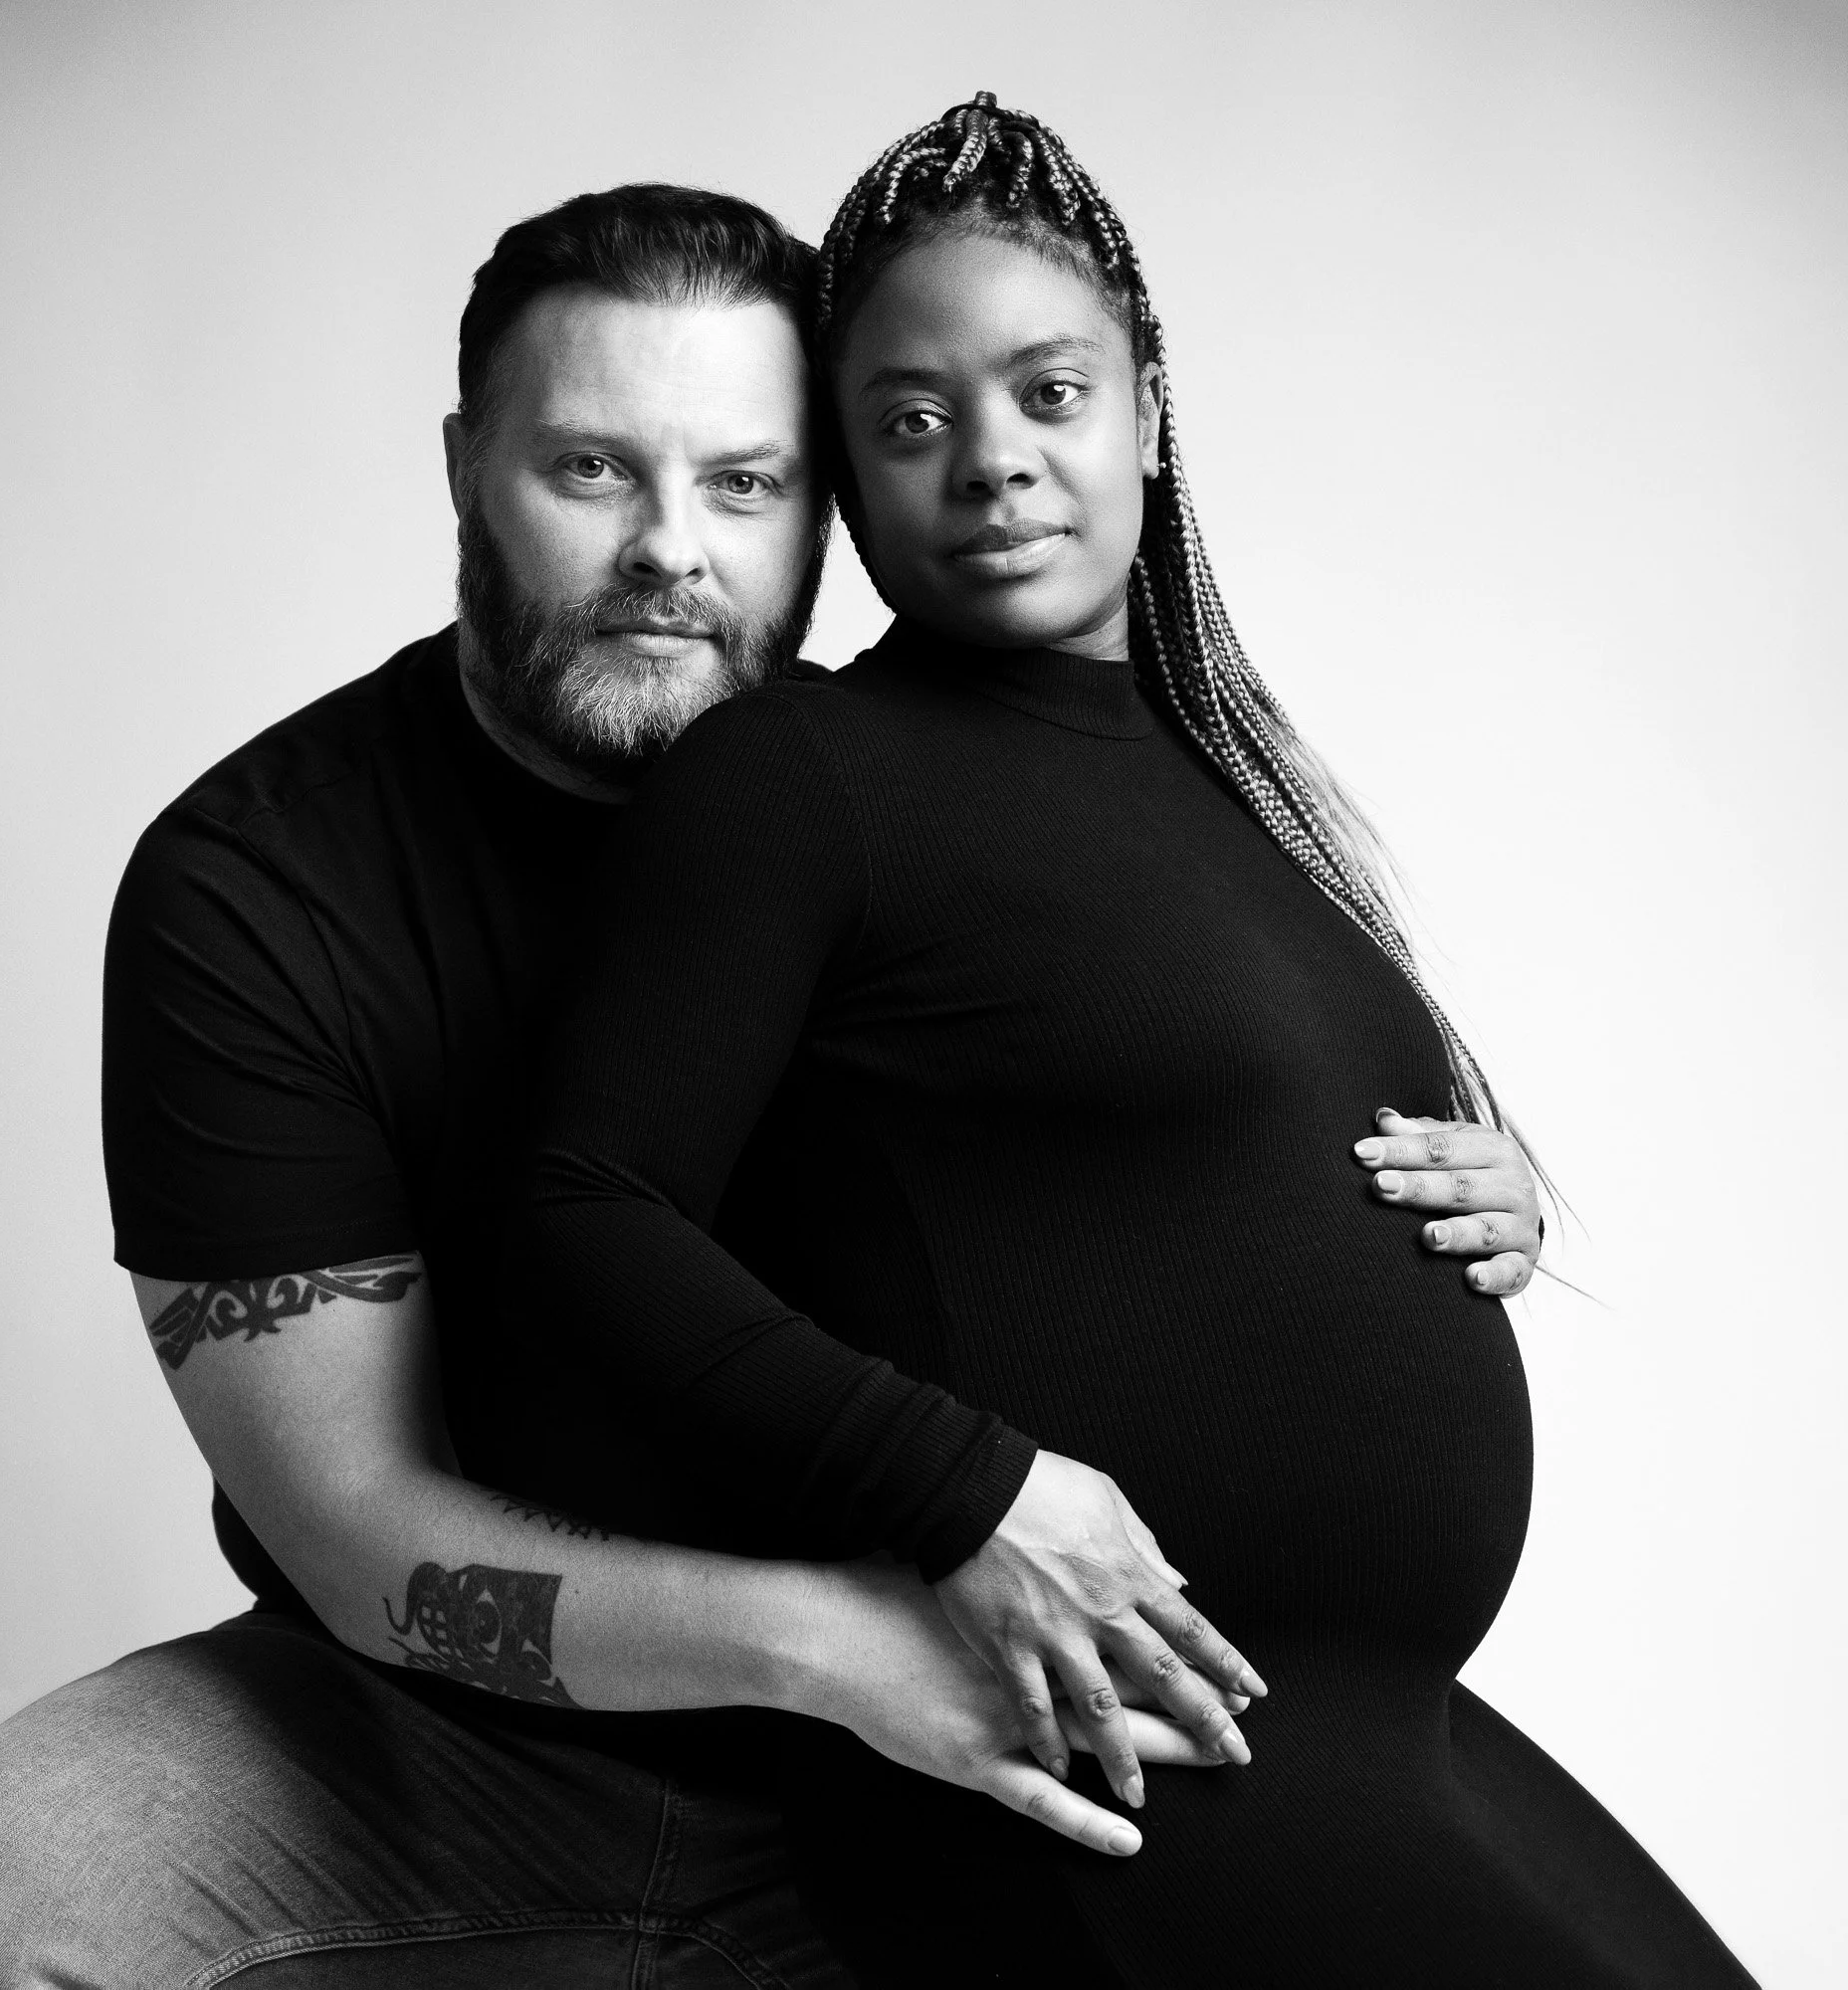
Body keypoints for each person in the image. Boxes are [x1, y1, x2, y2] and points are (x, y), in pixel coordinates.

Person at [0, 185, 1547, 1988]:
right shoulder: (261, 889)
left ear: (829, 501)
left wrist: (1430, 1178)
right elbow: (360, 1536)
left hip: (1004, 1716)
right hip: (475, 1728)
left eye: (746, 483)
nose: (671, 551)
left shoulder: (885, 790)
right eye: (592, 470)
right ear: (467, 470)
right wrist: (840, 1651)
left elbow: (1161, 1128)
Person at [522, 99, 1757, 1987]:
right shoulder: (800, 782)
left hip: (1361, 1731)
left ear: (1150, 413)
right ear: (849, 485)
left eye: (1049, 393)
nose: (992, 461)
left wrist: (1483, 1190)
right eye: (911, 421)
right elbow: (574, 1211)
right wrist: (966, 1492)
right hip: (1107, 1766)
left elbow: (1188, 1149)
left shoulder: (1224, 777)